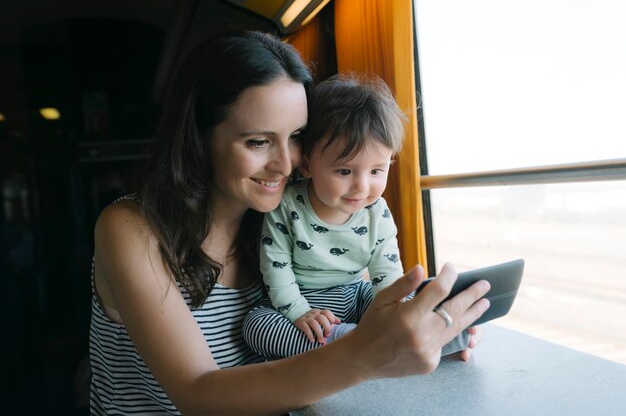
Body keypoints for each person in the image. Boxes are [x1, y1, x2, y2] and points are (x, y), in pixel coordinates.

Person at [89, 30, 490, 415]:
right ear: (198, 137)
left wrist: (422, 333)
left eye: (297, 136)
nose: (287, 163)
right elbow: (197, 394)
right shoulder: (130, 228)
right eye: (258, 142)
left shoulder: (278, 215)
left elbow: (351, 300)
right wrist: (367, 353)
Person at [244, 75, 471, 358]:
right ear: (306, 165)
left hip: (356, 294)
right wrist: (300, 312)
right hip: (302, 302)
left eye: (376, 171)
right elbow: (276, 269)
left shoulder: (377, 212)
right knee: (257, 326)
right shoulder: (287, 204)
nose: (362, 187)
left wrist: (397, 311)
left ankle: (440, 337)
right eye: (344, 171)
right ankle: (356, 343)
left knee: (411, 301)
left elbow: (386, 274)